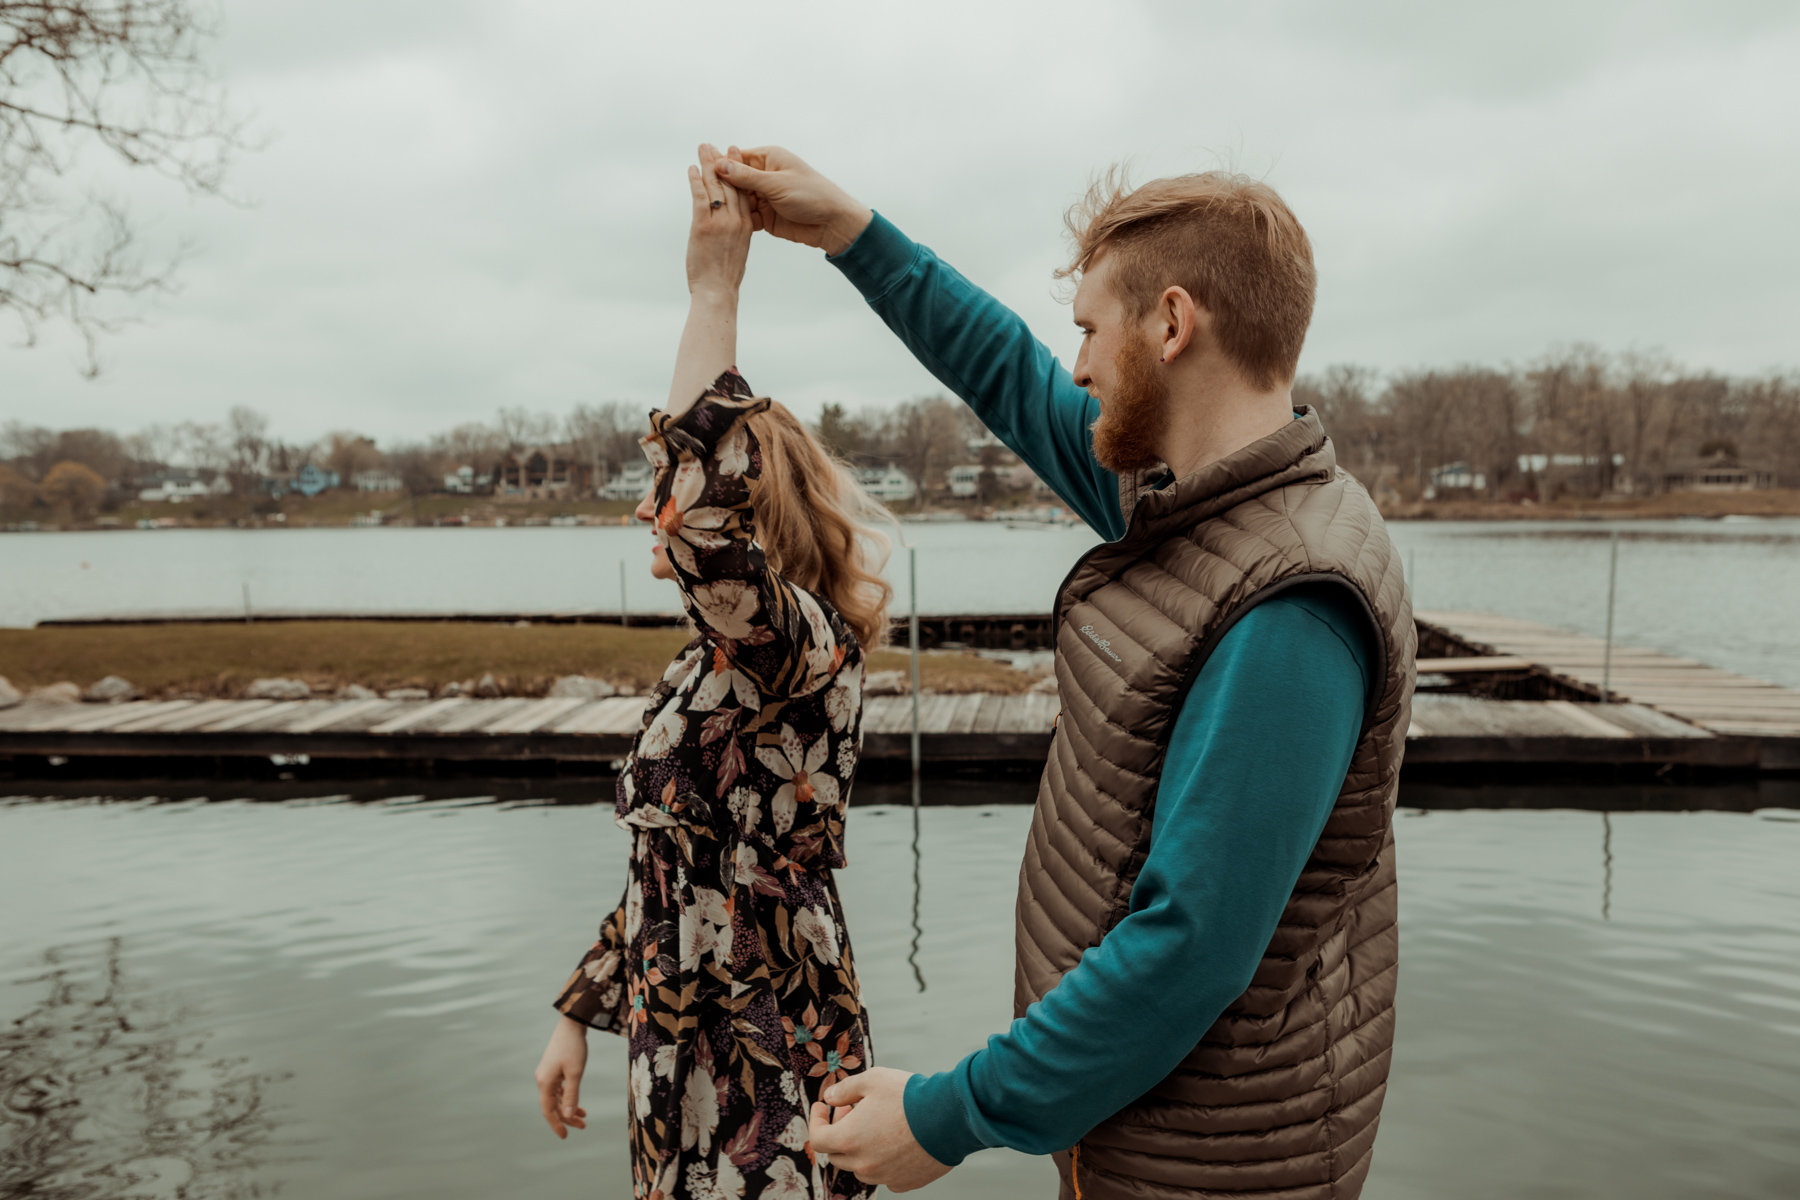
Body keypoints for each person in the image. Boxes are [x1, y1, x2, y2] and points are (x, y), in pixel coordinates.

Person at [715, 147, 1417, 1200]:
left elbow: (1190, 949)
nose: (1077, 365)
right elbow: (1008, 375)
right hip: (1142, 1122)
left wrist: (946, 1118)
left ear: (1171, 325)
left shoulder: (1293, 604)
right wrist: (851, 232)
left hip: (1217, 1167)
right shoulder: (1197, 505)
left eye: (1091, 329)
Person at [533, 145, 895, 1200]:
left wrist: (711, 289)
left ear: (749, 502)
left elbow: (701, 519)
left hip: (768, 1064)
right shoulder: (707, 669)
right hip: (676, 1054)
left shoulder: (801, 649)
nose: (655, 510)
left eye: (670, 493)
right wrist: (576, 1015)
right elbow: (670, 866)